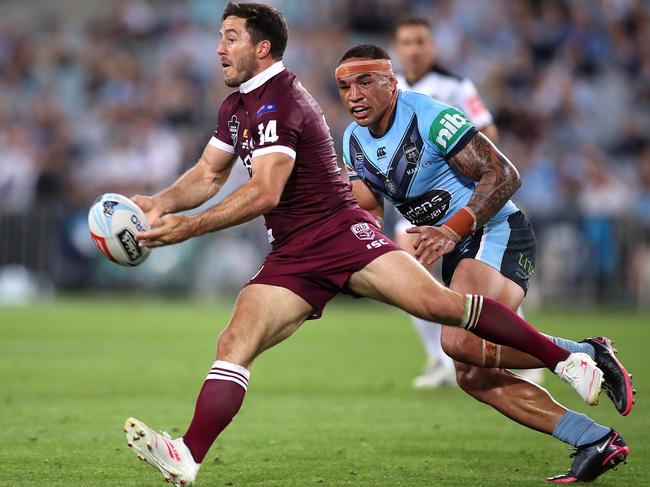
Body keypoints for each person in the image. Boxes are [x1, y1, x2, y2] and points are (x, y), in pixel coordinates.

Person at [123, 4, 614, 486]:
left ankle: (567, 357)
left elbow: (266, 191)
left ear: (262, 46)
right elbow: (210, 172)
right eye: (220, 37)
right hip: (292, 252)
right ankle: (188, 455)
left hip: (340, 235)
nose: (219, 47)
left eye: (231, 37)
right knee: (233, 343)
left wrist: (190, 227)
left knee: (443, 313)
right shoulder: (240, 108)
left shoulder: (282, 101)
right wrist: (161, 202)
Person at [336, 43, 632, 483]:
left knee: (455, 343)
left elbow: (505, 174)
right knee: (472, 375)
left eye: (365, 81)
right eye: (344, 86)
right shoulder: (352, 139)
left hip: (497, 233)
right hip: (455, 249)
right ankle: (595, 439)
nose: (354, 94)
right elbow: (368, 209)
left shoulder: (431, 117)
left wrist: (452, 228)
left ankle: (585, 354)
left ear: (391, 82)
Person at [392, 16, 546, 388]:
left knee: (489, 278)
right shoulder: (390, 88)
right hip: (415, 205)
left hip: (460, 198)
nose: (413, 49)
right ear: (398, 49)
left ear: (432, 47)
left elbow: (487, 133)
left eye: (420, 42)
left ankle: (528, 349)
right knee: (409, 273)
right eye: (407, 42)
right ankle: (437, 359)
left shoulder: (455, 87)